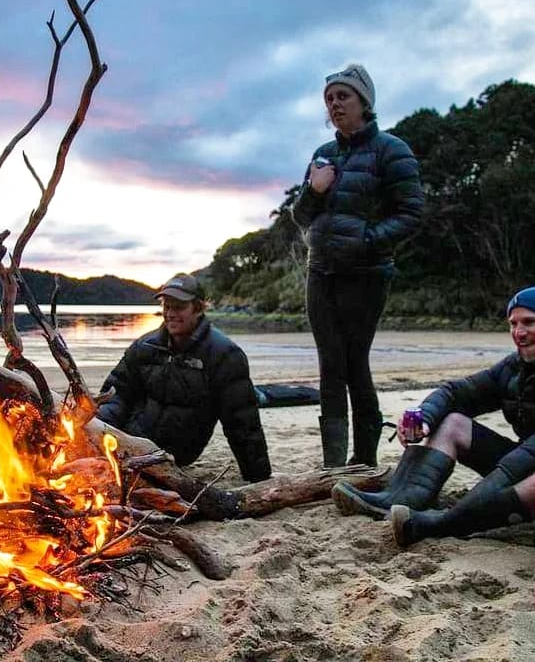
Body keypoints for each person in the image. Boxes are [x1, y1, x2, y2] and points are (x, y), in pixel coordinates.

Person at [291, 64, 424, 468]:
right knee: (330, 365)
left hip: (366, 274)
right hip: (321, 272)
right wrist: (315, 189)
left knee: (355, 363)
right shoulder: (323, 155)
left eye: (343, 96)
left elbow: (411, 213)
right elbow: (301, 216)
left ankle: (364, 459)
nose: (334, 104)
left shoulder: (391, 150)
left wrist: (366, 241)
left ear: (365, 102)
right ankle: (333, 465)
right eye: (329, 98)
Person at [331, 286, 535, 546]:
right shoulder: (512, 368)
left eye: (529, 322)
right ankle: (400, 499)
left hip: (525, 465)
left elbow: (525, 457)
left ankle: (445, 523)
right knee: (453, 422)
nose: (519, 332)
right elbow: (455, 393)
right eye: (513, 323)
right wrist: (424, 419)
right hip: (522, 461)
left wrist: (485, 491)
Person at [97, 273, 272, 483]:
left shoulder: (224, 355)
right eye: (167, 306)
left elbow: (242, 422)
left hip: (174, 454)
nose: (170, 313)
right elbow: (116, 393)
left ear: (198, 308)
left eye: (179, 307)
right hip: (129, 442)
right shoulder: (145, 346)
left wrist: (259, 477)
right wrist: (101, 431)